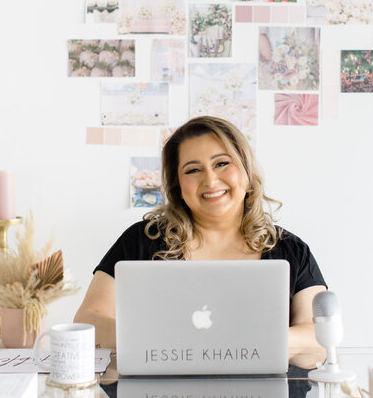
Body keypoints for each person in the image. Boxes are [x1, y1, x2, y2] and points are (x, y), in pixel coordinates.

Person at [73, 116, 327, 350]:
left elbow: (319, 338)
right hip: (159, 396)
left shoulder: (291, 250)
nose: (211, 181)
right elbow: (87, 322)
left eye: (222, 164)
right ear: (177, 185)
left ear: (247, 171)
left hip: (267, 396)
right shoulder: (141, 240)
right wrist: (167, 341)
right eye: (193, 170)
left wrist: (246, 341)